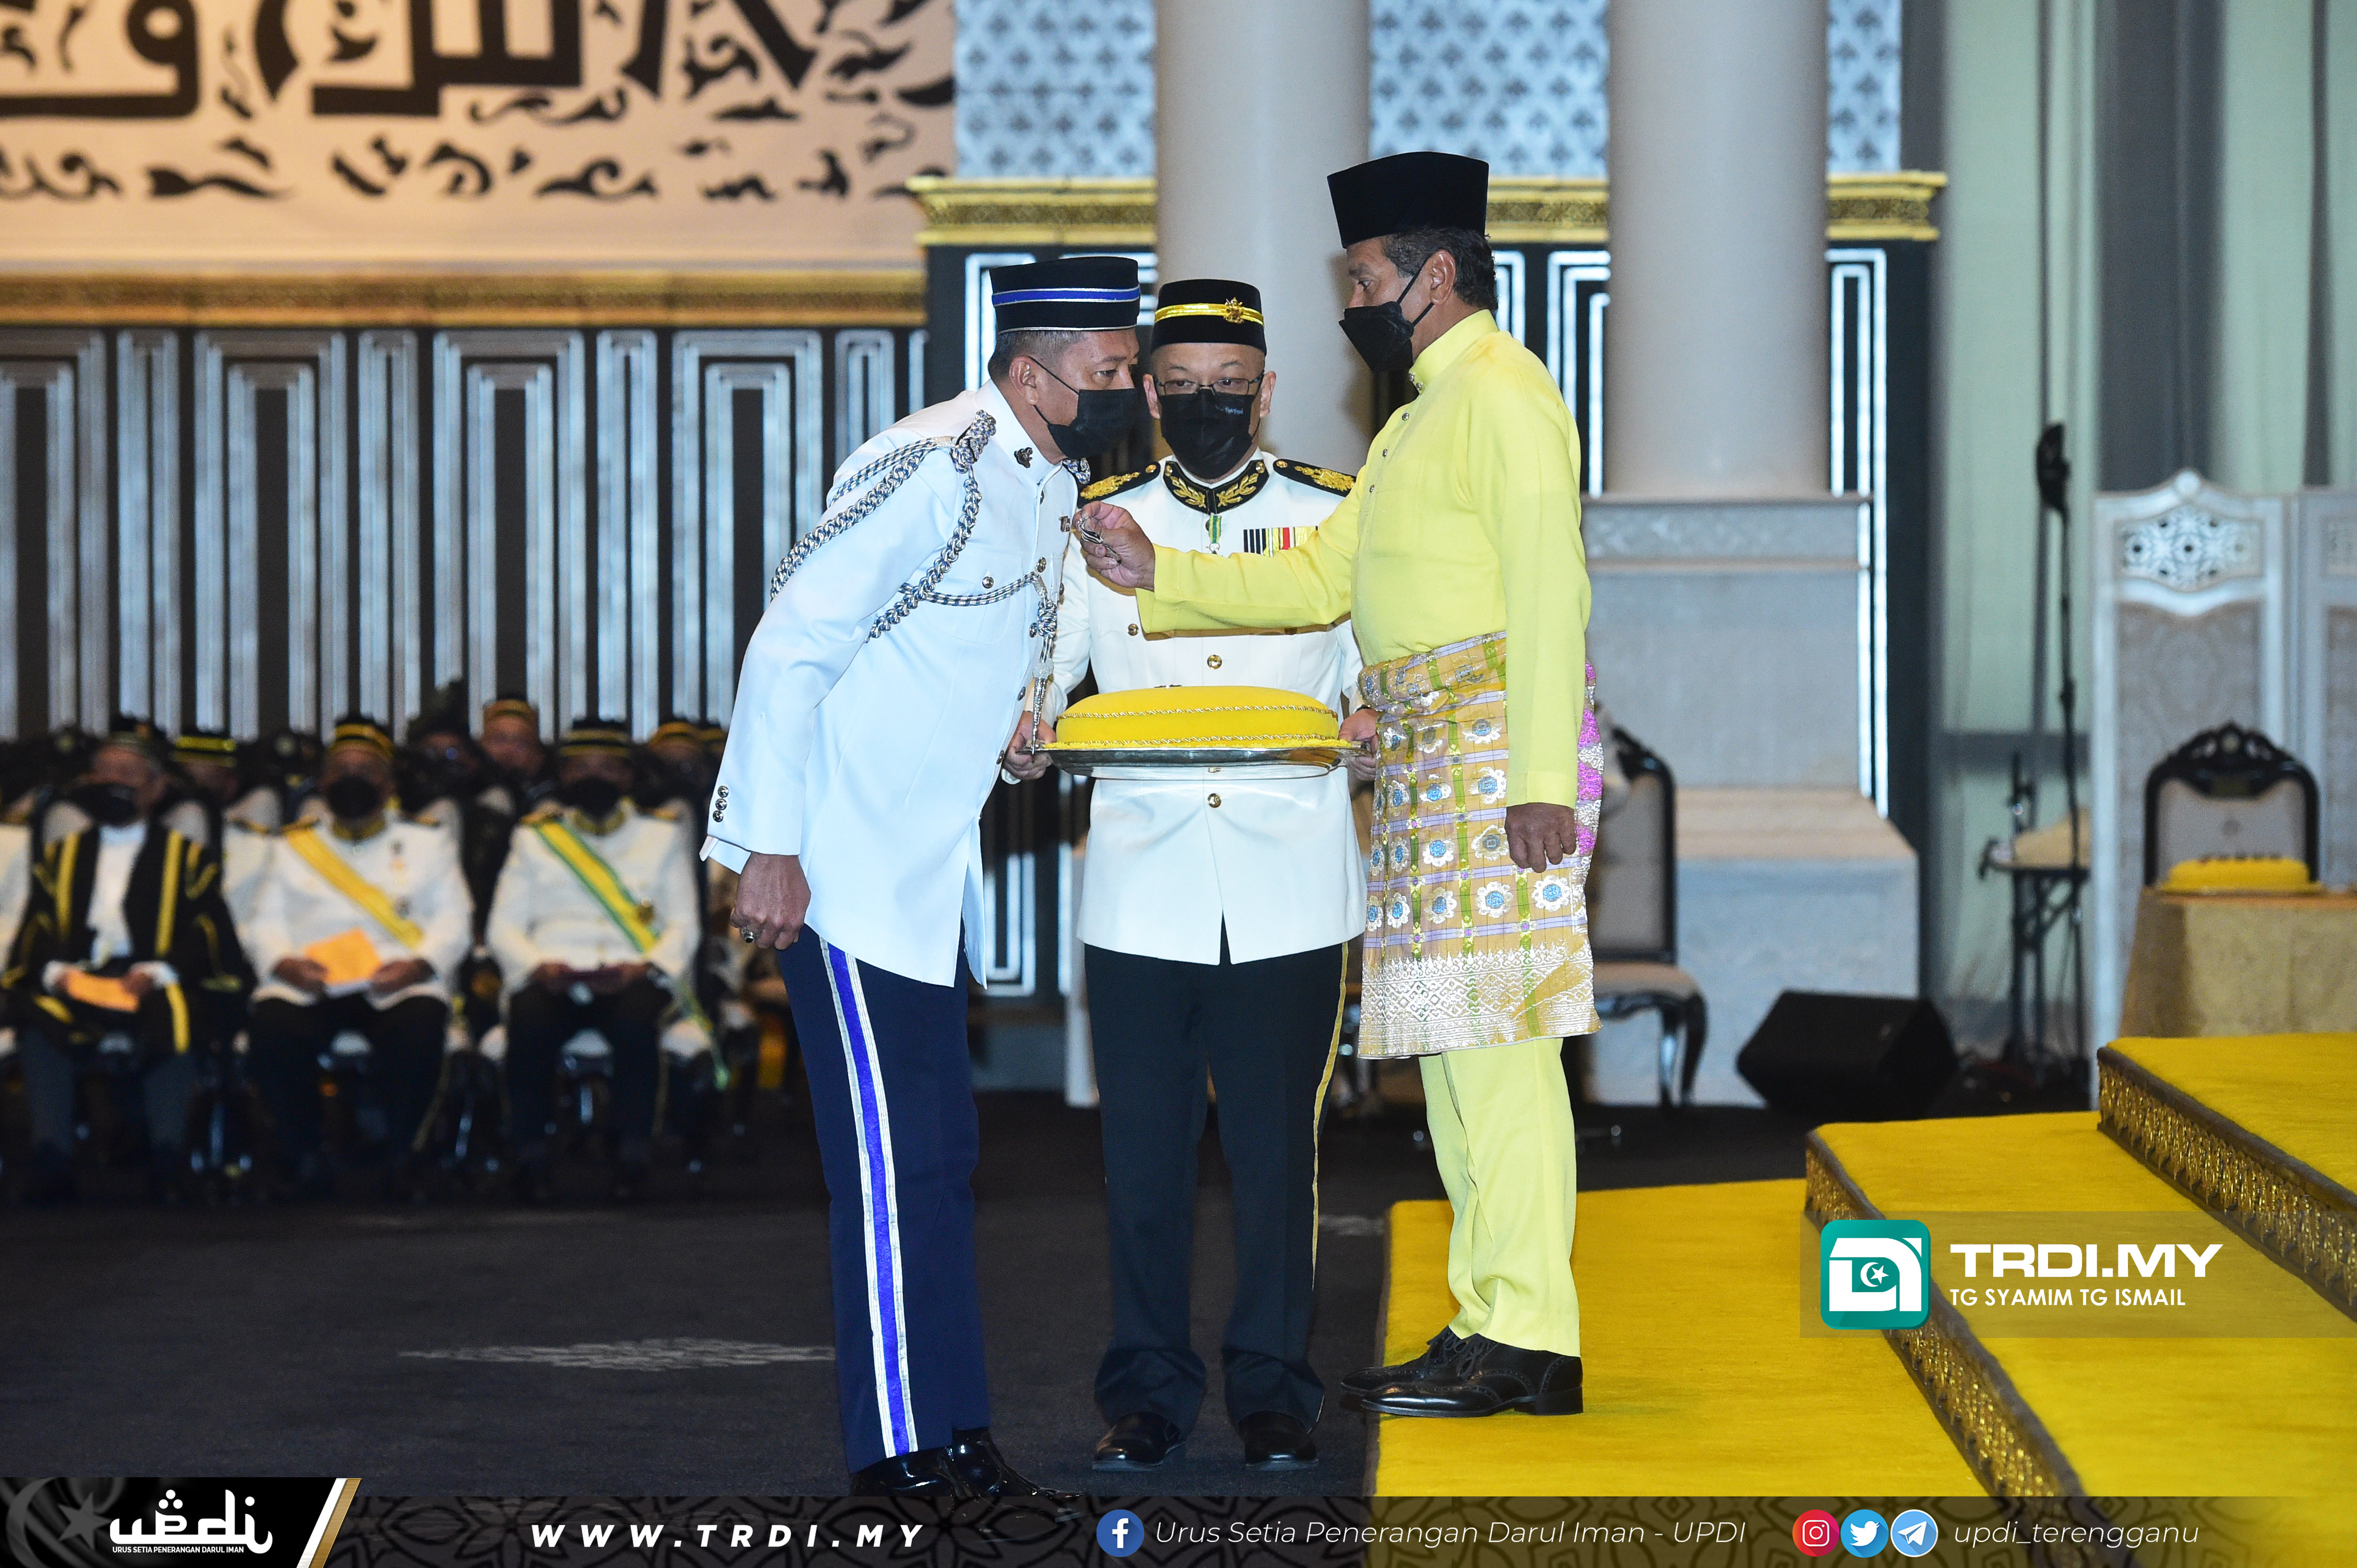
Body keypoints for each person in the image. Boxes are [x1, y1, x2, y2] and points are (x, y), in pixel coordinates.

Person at [1079, 153, 1602, 1420]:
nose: (1351, 302)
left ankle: (1532, 1335)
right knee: (1455, 1054)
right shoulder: (1422, 411)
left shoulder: (1507, 394)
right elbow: (1318, 584)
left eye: (1364, 278)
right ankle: (1488, 1315)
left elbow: (1552, 587)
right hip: (1430, 752)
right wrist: (1156, 573)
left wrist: (1543, 779)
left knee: (1506, 1049)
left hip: (1492, 755)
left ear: (1432, 276)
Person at [707, 254, 1143, 1501]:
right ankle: (898, 1445)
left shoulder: (1044, 479)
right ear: (1029, 369)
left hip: (919, 874)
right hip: (839, 870)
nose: (1124, 395)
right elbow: (793, 639)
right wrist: (768, 843)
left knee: (943, 1157)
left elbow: (956, 652)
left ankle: (951, 1425)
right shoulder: (929, 460)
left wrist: (1016, 737)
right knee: (892, 1170)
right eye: (1108, 374)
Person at [1054, 277, 1365, 1474]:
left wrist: (1376, 715)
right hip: (1144, 874)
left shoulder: (1333, 514)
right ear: (1144, 389)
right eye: (1180, 391)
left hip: (1291, 872)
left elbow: (1365, 668)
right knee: (1142, 1159)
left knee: (1279, 1158)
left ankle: (1277, 1387)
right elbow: (1056, 670)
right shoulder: (1100, 521)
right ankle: (1145, 1389)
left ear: (1268, 390)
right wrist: (1029, 725)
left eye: (1228, 392)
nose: (1205, 410)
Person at [4, 717, 251, 1203]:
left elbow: (209, 932)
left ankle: (168, 1157)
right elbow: (37, 927)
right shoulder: (62, 856)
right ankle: (51, 1159)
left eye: (128, 773)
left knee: (178, 1016)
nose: (114, 782)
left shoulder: (187, 858)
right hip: (78, 980)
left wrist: (157, 971)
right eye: (104, 772)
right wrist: (58, 973)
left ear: (156, 789)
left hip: (153, 979)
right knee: (39, 1019)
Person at [242, 717, 473, 1200]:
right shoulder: (291, 845)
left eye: (367, 771)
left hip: (395, 977)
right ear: (323, 783)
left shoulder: (428, 842)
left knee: (422, 1022)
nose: (354, 779)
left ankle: (401, 1156)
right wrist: (286, 965)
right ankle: (303, 1155)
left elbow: (456, 919)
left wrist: (418, 965)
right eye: (341, 770)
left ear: (389, 785)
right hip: (312, 980)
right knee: (272, 1023)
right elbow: (263, 922)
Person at [486, 718, 699, 1201]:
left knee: (634, 1025)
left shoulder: (662, 835)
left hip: (633, 970)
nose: (594, 778)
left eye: (607, 768)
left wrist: (644, 968)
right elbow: (503, 925)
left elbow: (684, 924)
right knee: (529, 1021)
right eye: (581, 768)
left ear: (627, 777)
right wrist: (537, 965)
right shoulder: (534, 837)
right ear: (564, 777)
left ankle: (632, 1155)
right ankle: (530, 1156)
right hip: (551, 971)